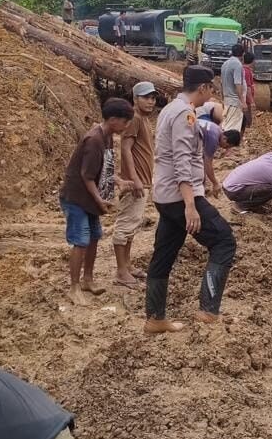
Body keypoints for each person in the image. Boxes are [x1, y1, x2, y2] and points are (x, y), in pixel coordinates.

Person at [144, 65, 238, 333]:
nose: (212, 94)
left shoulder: (170, 110)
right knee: (224, 241)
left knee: (164, 253)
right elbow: (182, 161)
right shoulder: (184, 115)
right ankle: (208, 311)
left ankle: (155, 318)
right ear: (203, 88)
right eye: (211, 88)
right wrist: (190, 206)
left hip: (165, 195)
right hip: (180, 197)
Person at [60, 97, 134, 305]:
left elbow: (104, 168)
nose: (126, 126)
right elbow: (87, 176)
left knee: (94, 236)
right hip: (77, 198)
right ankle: (74, 287)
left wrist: (118, 181)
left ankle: (88, 279)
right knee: (81, 240)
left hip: (90, 198)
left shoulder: (108, 137)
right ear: (112, 120)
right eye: (124, 121)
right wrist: (100, 200)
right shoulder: (94, 140)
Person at [113, 82, 158, 289]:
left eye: (153, 98)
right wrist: (135, 178)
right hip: (135, 183)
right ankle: (121, 271)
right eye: (146, 97)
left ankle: (127, 265)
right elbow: (125, 148)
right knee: (125, 226)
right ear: (135, 98)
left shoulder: (143, 119)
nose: (151, 101)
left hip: (143, 181)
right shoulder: (135, 119)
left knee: (132, 225)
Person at [198, 116, 241, 197]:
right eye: (227, 146)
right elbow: (207, 164)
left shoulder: (216, 128)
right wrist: (215, 183)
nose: (225, 148)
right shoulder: (213, 139)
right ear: (224, 138)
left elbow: (203, 158)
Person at [219, 44, 246, 134]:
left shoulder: (225, 64)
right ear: (242, 54)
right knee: (232, 130)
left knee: (226, 125)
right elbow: (238, 84)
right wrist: (243, 101)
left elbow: (221, 83)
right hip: (234, 101)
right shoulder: (237, 65)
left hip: (227, 100)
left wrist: (222, 98)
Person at [241, 51, 257, 133]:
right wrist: (251, 101)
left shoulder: (243, 70)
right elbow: (248, 88)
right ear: (252, 61)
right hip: (246, 102)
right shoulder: (247, 72)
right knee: (247, 121)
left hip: (243, 100)